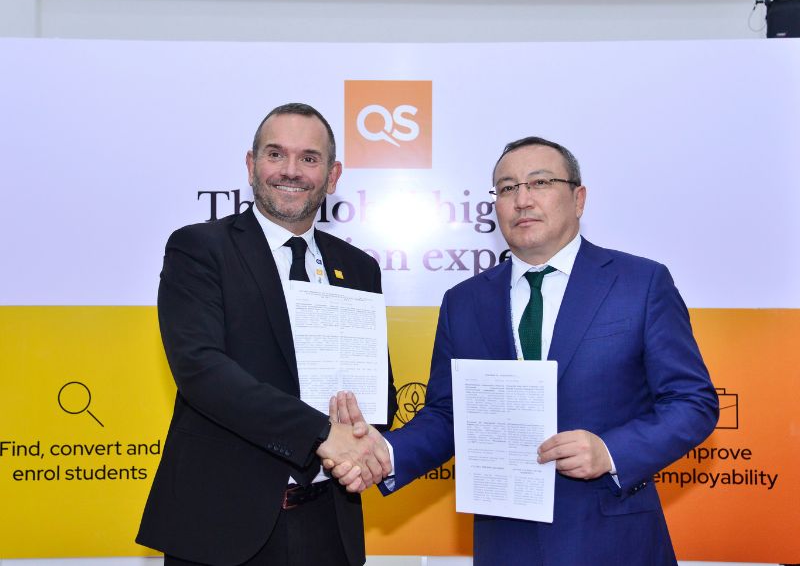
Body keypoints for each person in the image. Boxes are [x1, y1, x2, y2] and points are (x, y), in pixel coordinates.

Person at [329, 136, 719, 565]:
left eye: (540, 182)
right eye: (507, 188)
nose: (522, 199)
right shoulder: (464, 301)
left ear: (578, 198)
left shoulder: (639, 283)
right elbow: (448, 414)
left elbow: (693, 402)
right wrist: (386, 454)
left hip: (613, 537)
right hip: (506, 542)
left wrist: (611, 452)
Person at [137, 103, 397, 566]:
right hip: (221, 531)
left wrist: (363, 432)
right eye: (276, 154)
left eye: (309, 158)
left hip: (330, 528)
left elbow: (380, 395)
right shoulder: (200, 248)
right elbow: (202, 371)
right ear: (251, 164)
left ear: (332, 175)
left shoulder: (359, 268)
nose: (290, 170)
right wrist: (321, 434)